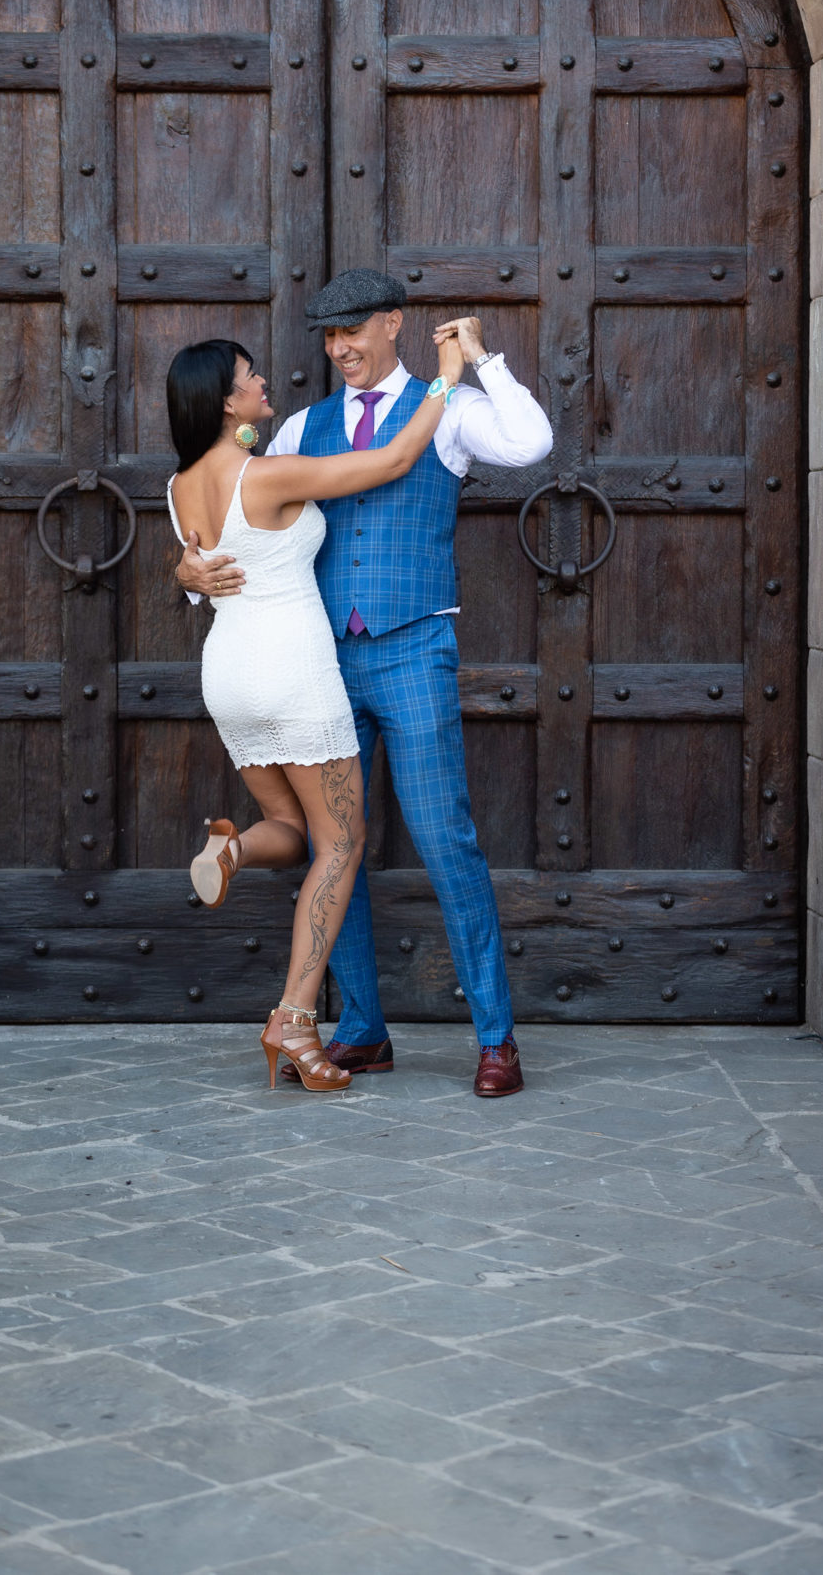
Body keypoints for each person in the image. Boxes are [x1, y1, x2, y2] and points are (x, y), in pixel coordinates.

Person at [177, 270, 552, 1097]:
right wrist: (189, 570)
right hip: (317, 665)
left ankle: (496, 1038)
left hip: (414, 650)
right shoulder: (298, 428)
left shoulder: (446, 410)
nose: (340, 348)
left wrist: (484, 363)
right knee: (327, 844)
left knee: (447, 842)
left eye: (354, 330)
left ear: (394, 323)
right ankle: (362, 1030)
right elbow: (226, 519)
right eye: (328, 336)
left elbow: (529, 445)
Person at [165, 328, 466, 1092]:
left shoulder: (179, 486)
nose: (263, 381)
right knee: (342, 843)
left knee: (295, 832)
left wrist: (182, 566)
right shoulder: (267, 474)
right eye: (248, 376)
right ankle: (295, 1017)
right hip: (293, 670)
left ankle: (229, 850)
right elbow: (394, 460)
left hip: (229, 671)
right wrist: (445, 382)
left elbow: (197, 571)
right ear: (225, 399)